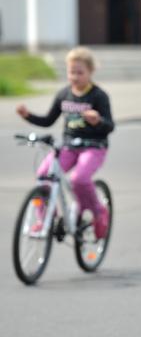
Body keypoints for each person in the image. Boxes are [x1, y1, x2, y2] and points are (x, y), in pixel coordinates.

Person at [16, 47, 114, 238]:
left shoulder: (99, 96)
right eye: (71, 72)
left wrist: (98, 120)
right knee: (44, 175)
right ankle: (46, 219)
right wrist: (27, 116)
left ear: (90, 72)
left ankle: (98, 212)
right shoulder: (64, 95)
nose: (75, 77)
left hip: (94, 147)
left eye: (80, 72)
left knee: (79, 179)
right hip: (69, 146)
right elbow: (48, 121)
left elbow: (110, 126)